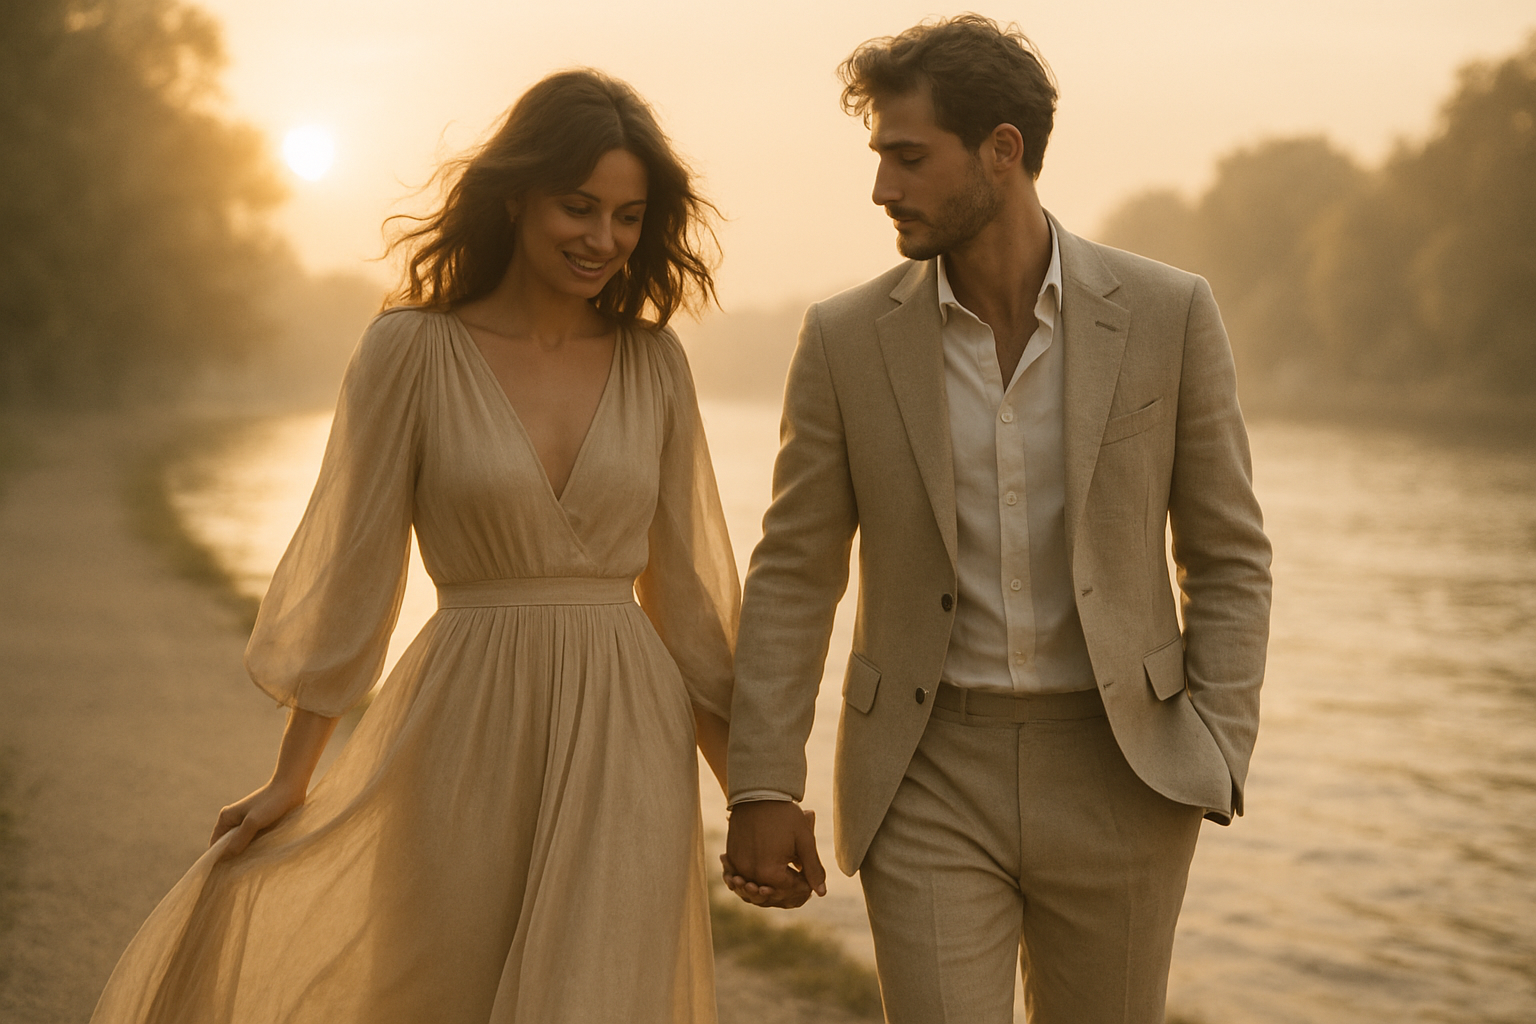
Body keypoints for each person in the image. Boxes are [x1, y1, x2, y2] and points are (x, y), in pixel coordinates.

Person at [92, 68, 741, 1024]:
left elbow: (690, 601)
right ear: (516, 194)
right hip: (462, 721)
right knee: (431, 981)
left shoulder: (657, 365)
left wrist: (756, 798)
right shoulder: (411, 351)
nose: (603, 239)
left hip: (628, 734)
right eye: (578, 207)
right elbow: (354, 568)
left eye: (629, 216)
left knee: (601, 995)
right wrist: (293, 776)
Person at [721, 15, 1272, 1024]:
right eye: (881, 157)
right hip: (927, 768)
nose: (883, 186)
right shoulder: (845, 339)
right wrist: (762, 779)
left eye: (909, 156)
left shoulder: (1169, 312)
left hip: (1123, 771)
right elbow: (796, 570)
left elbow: (1230, 555)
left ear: (1002, 151)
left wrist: (1216, 745)